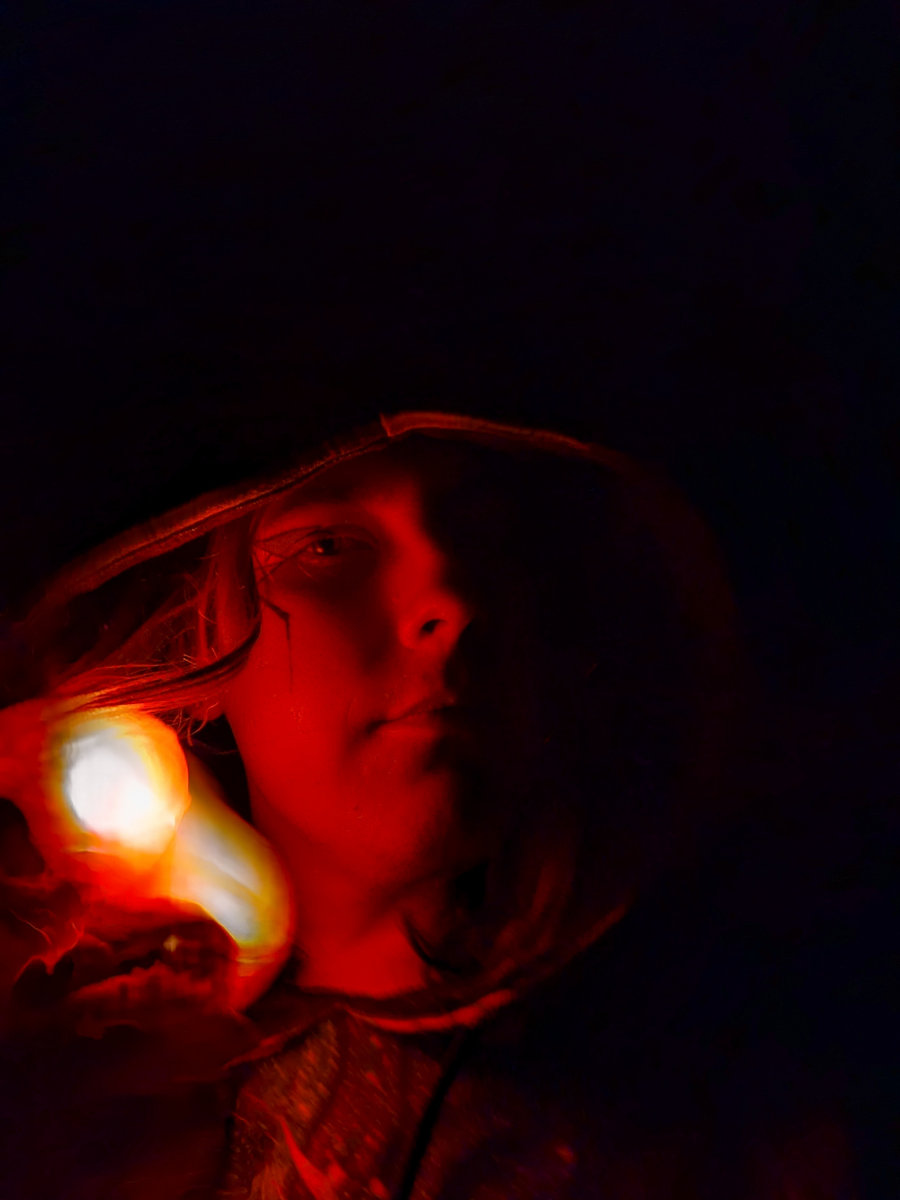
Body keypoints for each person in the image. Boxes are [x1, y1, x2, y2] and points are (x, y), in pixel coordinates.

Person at [0, 411, 859, 1198]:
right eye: (329, 546)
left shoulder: (748, 1092)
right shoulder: (97, 1085)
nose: (451, 599)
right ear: (201, 626)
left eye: (486, 536)